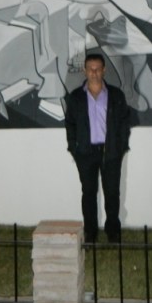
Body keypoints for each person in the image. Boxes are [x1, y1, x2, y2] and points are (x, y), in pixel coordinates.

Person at [64, 53, 133, 243]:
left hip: (110, 152)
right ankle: (90, 232)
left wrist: (120, 147)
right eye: (90, 69)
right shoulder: (76, 97)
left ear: (104, 70)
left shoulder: (116, 95)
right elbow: (70, 124)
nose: (94, 73)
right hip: (85, 153)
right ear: (84, 70)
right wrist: (74, 148)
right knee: (88, 194)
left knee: (112, 193)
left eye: (97, 69)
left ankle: (113, 231)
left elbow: (124, 122)